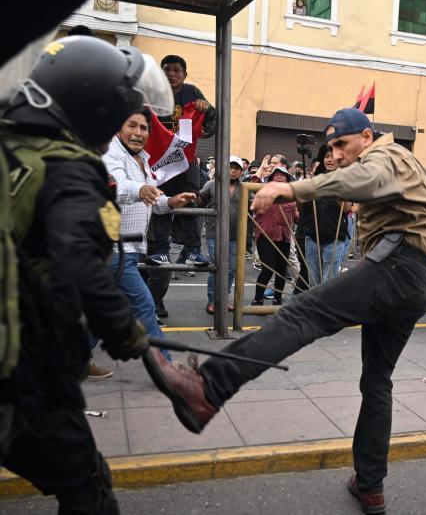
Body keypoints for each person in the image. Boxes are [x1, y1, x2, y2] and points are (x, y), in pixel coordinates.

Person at [143, 107, 426, 515]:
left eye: (341, 144)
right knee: (377, 382)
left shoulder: (386, 156)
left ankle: (208, 387)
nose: (334, 154)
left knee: (302, 311)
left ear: (367, 137)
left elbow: (371, 178)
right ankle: (370, 485)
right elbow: (369, 188)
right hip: (413, 281)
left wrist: (292, 189)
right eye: (330, 146)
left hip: (398, 266)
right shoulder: (379, 161)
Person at [0, 35, 173, 515]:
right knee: (87, 486)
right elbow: (78, 259)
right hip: (21, 372)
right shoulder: (68, 168)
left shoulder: (12, 147)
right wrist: (124, 334)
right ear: (94, 110)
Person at [103, 110, 197, 359]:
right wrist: (141, 188)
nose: (138, 133)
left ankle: (75, 359)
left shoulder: (142, 159)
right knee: (144, 305)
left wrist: (171, 201)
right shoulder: (111, 152)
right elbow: (117, 185)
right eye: (131, 126)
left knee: (104, 311)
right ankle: (166, 366)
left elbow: (152, 200)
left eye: (143, 128)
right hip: (114, 250)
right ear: (117, 128)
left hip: (130, 250)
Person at [146, 54, 217, 267]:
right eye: (167, 70)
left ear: (184, 75)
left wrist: (206, 109)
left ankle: (192, 250)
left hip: (185, 160)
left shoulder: (192, 93)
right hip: (158, 162)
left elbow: (212, 119)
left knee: (190, 199)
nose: (171, 74)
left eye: (176, 70)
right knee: (160, 202)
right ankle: (160, 250)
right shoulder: (152, 96)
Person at [198, 156, 248, 314]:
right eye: (230, 167)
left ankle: (224, 299)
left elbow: (253, 204)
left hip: (236, 235)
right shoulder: (212, 184)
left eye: (236, 168)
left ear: (241, 171)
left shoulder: (244, 188)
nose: (233, 171)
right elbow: (199, 201)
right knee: (218, 268)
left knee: (231, 269)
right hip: (215, 233)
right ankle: (213, 301)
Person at [301, 145, 351, 285]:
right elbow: (303, 206)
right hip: (312, 236)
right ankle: (315, 307)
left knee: (329, 282)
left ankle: (325, 307)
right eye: (326, 156)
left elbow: (346, 208)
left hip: (334, 238)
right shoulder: (314, 180)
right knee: (313, 282)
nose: (329, 160)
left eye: (333, 156)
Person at [251, 166, 298, 306]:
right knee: (268, 269)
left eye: (282, 175)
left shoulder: (291, 198)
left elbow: (297, 217)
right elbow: (252, 184)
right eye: (275, 175)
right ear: (270, 179)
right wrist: (262, 166)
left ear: (287, 179)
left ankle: (278, 299)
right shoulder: (264, 192)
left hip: (284, 237)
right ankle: (258, 299)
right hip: (266, 236)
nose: (279, 176)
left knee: (281, 271)